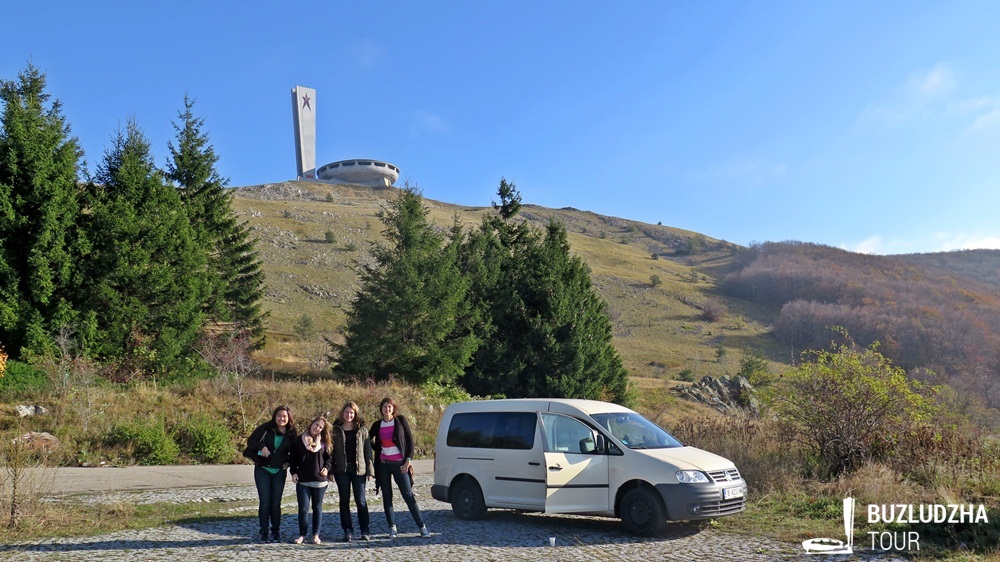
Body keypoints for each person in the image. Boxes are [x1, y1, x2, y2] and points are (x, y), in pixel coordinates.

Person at [370, 397, 430, 539]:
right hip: (384, 465)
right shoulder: (378, 424)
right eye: (385, 407)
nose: (387, 409)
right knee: (387, 497)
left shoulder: (401, 421)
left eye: (390, 407)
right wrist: (377, 449)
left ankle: (422, 526)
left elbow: (410, 441)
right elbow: (367, 438)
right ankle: (392, 527)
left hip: (400, 465)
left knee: (408, 495)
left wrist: (408, 460)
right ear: (381, 409)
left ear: (394, 408)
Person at [246, 405, 296, 543]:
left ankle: (276, 531)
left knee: (275, 503)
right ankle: (264, 532)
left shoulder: (291, 432)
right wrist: (261, 446)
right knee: (265, 502)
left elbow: (296, 450)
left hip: (279, 471)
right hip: (263, 470)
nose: (282, 418)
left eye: (284, 416)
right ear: (275, 416)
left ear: (289, 418)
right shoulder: (265, 428)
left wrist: (290, 463)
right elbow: (251, 441)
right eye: (279, 415)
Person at [332, 401, 373, 541]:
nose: (349, 415)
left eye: (351, 413)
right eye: (346, 412)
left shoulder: (362, 429)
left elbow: (368, 452)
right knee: (344, 500)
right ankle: (347, 530)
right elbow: (330, 452)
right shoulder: (335, 429)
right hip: (341, 469)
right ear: (342, 413)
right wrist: (331, 471)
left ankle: (364, 529)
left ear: (355, 414)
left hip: (359, 470)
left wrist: (370, 471)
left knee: (360, 500)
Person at [289, 416, 332, 544]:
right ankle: (302, 535)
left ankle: (316, 535)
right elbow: (293, 459)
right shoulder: (299, 440)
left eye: (320, 427)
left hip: (319, 480)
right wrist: (293, 472)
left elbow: (329, 458)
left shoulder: (324, 442)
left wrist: (327, 468)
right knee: (303, 508)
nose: (317, 428)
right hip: (303, 480)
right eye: (316, 424)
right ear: (311, 423)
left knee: (317, 508)